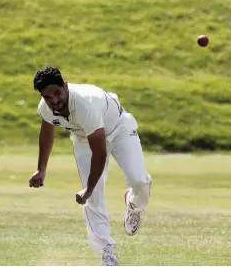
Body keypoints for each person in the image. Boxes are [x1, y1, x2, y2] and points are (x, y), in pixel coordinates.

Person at [28, 66, 152, 266]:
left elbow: (100, 152)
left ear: (65, 86)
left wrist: (88, 187)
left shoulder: (85, 104)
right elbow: (47, 133)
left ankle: (134, 203)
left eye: (57, 93)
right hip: (84, 138)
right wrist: (41, 169)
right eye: (47, 97)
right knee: (92, 199)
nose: (54, 101)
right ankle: (108, 253)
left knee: (138, 180)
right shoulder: (46, 107)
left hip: (119, 129)